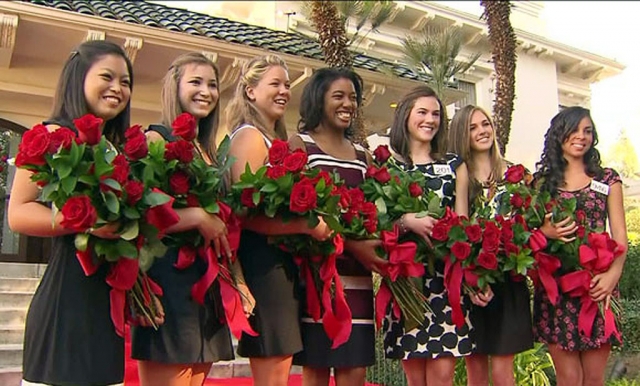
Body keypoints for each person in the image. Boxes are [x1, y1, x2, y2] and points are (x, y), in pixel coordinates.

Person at [8, 40, 133, 386]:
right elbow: (18, 214)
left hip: (105, 302)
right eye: (107, 76)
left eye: (126, 82)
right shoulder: (51, 136)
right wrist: (88, 221)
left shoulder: (114, 150)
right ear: (79, 77)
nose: (118, 88)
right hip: (66, 301)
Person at [131, 52, 253, 386]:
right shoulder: (156, 140)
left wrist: (237, 280)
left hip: (208, 284)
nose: (207, 91)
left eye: (212, 85)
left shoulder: (211, 153)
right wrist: (197, 216)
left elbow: (223, 227)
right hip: (168, 280)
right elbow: (139, 216)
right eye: (195, 82)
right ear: (175, 87)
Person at [225, 54, 332, 386]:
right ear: (250, 91)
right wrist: (306, 226)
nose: (284, 91)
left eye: (287, 84)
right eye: (275, 84)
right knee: (272, 370)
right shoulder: (249, 138)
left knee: (280, 368)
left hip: (281, 267)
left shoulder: (274, 140)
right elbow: (246, 214)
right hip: (263, 268)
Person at [382, 86, 492, 386]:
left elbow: (464, 227)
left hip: (446, 283)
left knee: (442, 378)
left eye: (436, 114)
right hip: (407, 284)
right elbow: (378, 225)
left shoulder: (455, 165)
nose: (430, 120)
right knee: (416, 381)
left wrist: (474, 280)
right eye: (423, 112)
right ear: (405, 116)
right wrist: (406, 221)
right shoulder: (388, 167)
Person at [289, 67, 387, 386]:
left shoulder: (363, 155)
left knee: (354, 372)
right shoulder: (299, 145)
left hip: (357, 282)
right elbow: (295, 217)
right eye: (339, 96)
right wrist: (353, 244)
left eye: (353, 98)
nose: (348, 104)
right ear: (319, 99)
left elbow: (376, 213)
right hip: (317, 282)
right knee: (315, 373)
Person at [532, 106, 627, 386]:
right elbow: (532, 235)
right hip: (557, 291)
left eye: (587, 131)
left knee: (593, 379)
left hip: (598, 288)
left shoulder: (607, 179)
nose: (581, 137)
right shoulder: (541, 184)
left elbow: (620, 236)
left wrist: (612, 276)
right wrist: (545, 232)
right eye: (574, 130)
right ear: (559, 135)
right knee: (569, 378)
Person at [448, 105, 534, 386]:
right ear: (462, 134)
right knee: (476, 372)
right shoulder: (461, 173)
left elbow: (528, 227)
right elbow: (460, 227)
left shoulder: (515, 172)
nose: (482, 131)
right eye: (472, 128)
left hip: (509, 279)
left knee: (502, 372)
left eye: (485, 124)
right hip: (475, 279)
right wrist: (470, 281)